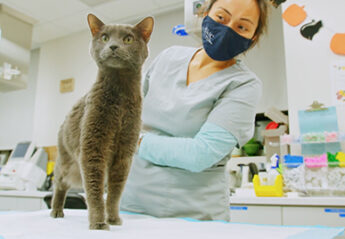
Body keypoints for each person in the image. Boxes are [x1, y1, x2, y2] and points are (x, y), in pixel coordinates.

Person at [120, 0, 269, 221]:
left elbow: (200, 154)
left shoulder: (244, 84)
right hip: (131, 205)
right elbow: (127, 115)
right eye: (221, 17)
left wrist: (136, 141)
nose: (227, 29)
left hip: (195, 216)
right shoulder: (168, 57)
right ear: (206, 13)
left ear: (252, 38)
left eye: (242, 27)